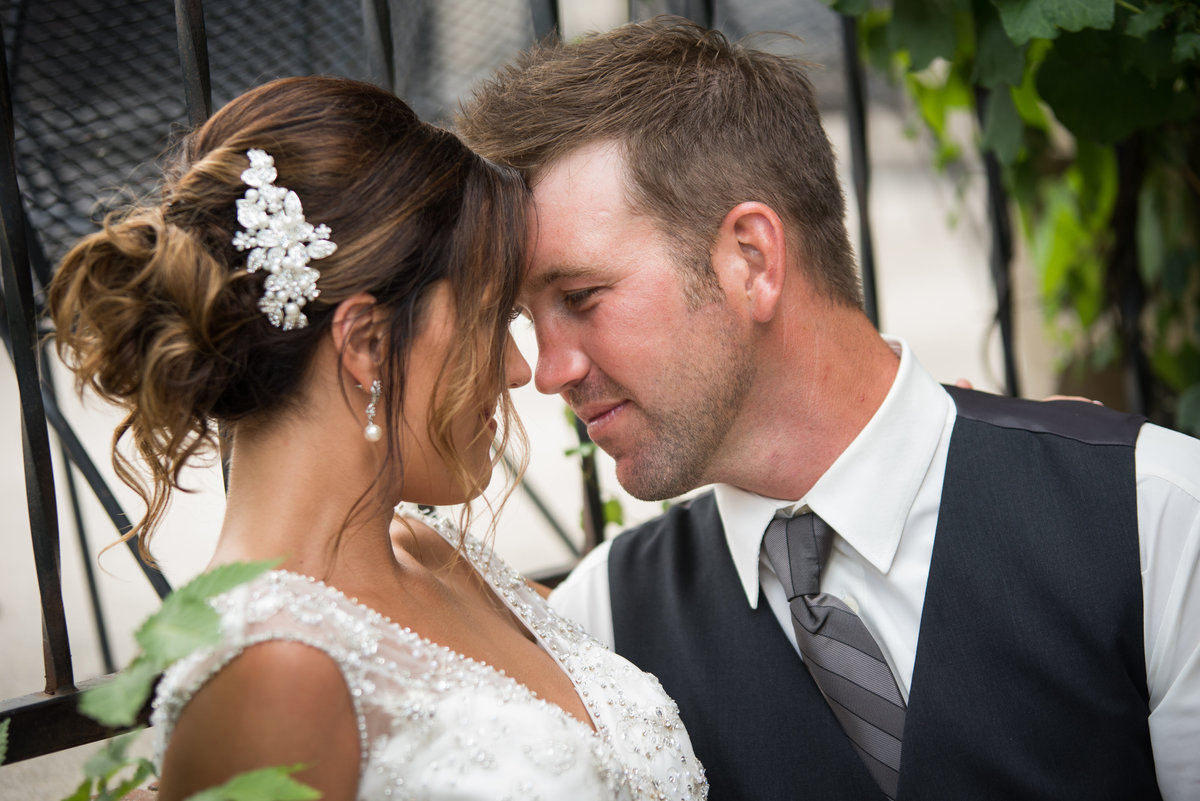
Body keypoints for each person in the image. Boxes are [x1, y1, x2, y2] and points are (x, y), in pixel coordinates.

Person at [455, 17, 1200, 801]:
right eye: (527, 318)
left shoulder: (1153, 514)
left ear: (752, 258)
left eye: (580, 297)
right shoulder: (604, 618)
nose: (550, 370)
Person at [47, 75, 706, 801]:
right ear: (365, 342)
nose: (521, 370)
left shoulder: (440, 555)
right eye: (491, 320)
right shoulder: (270, 672)